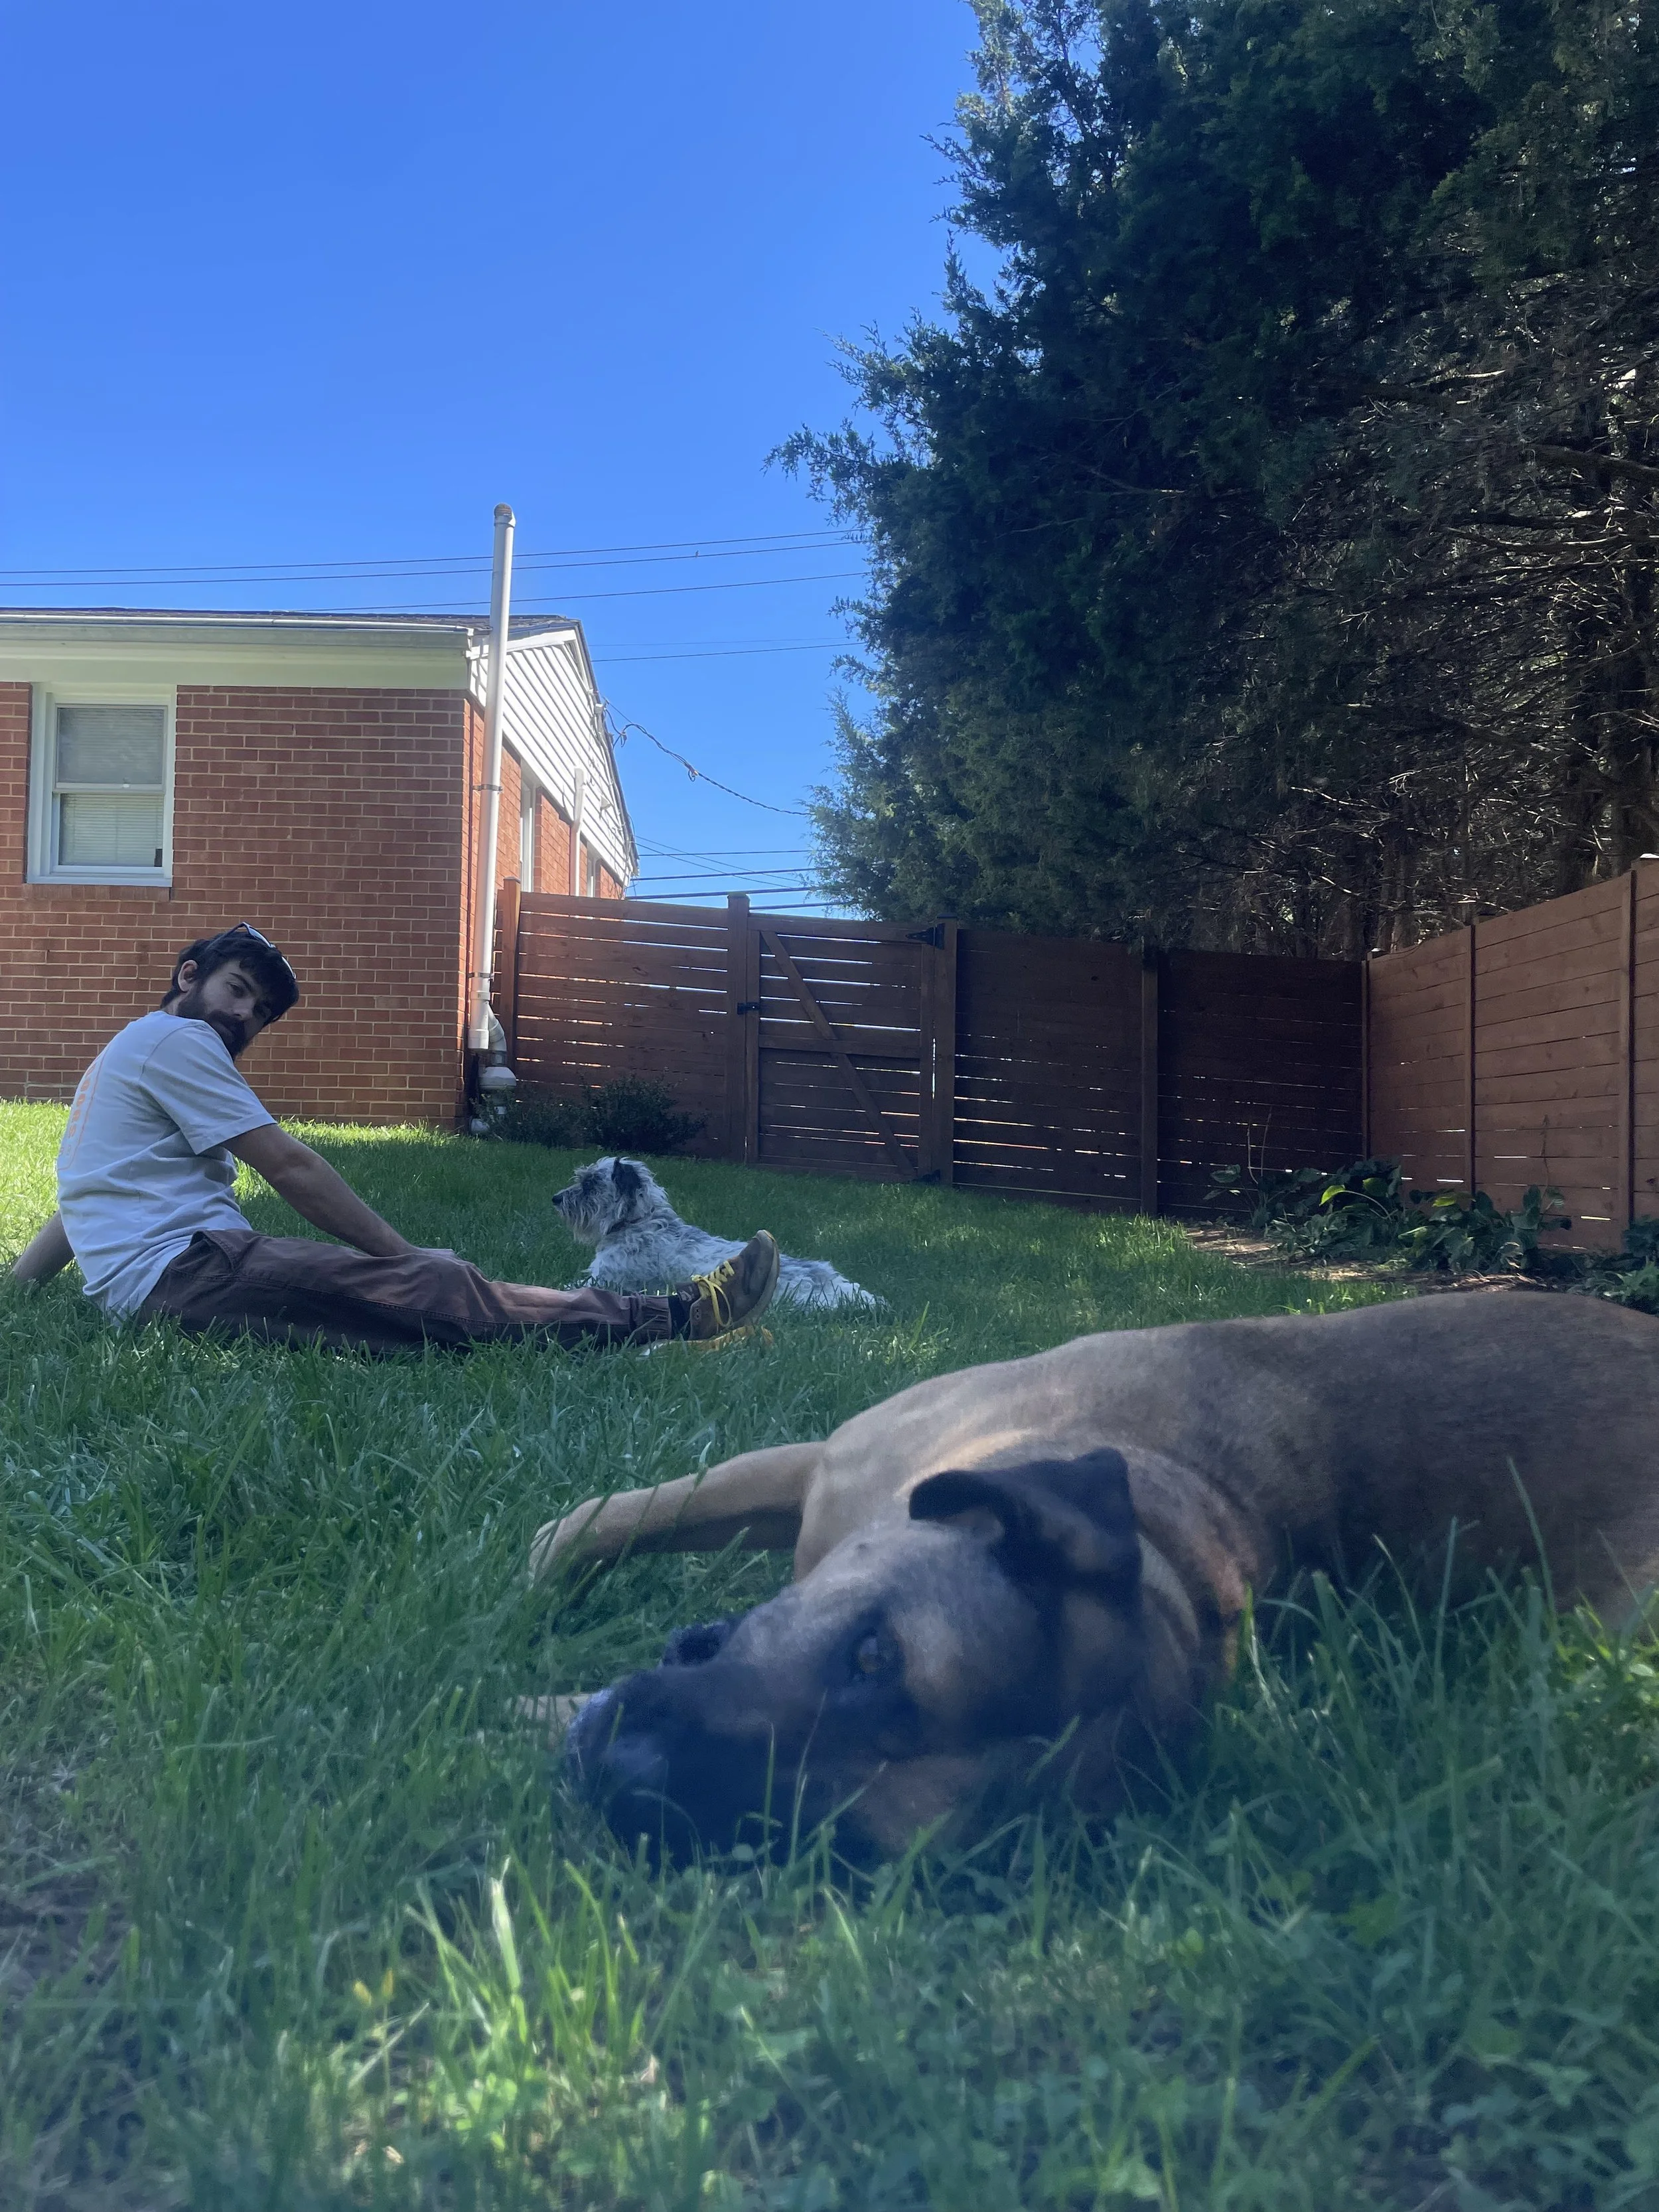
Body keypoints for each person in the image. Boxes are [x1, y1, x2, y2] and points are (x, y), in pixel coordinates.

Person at [7, 924, 780, 1353]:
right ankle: (681, 1318)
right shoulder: (180, 1044)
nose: (244, 1018)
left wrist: (14, 1294)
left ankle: (650, 1336)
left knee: (395, 1322)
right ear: (188, 976)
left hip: (166, 1287)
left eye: (260, 1012)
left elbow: (81, 1206)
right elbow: (290, 1166)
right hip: (190, 1274)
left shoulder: (124, 1054)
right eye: (237, 990)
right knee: (434, 1289)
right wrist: (403, 1255)